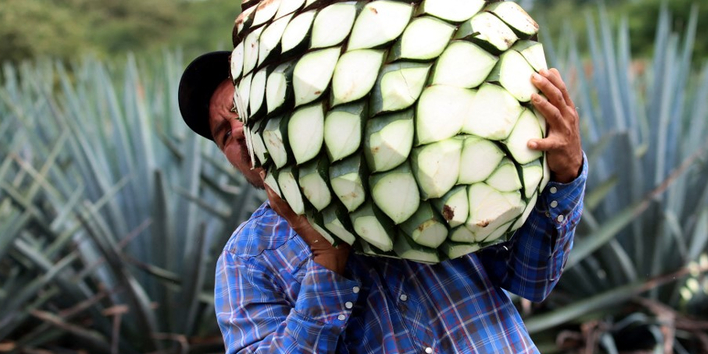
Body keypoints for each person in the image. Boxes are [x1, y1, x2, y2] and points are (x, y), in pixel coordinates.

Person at [178, 51, 587, 353]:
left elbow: (531, 279)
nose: (237, 132)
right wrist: (326, 261)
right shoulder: (247, 258)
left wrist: (566, 174)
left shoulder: (425, 165)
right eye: (221, 133)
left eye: (241, 110)